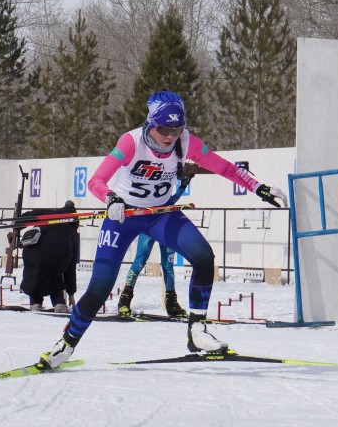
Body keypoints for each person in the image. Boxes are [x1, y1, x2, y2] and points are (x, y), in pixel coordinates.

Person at [38, 90, 286, 368]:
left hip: (160, 213)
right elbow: (96, 180)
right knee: (100, 287)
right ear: (150, 124)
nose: (169, 136)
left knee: (203, 256)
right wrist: (111, 198)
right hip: (124, 216)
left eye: (176, 129)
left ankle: (197, 330)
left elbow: (224, 168)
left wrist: (259, 187)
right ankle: (66, 344)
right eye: (163, 129)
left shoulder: (186, 141)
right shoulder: (131, 142)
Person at [116, 170, 193, 318]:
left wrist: (184, 184)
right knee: (140, 260)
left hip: (167, 227)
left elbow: (172, 200)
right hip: (149, 226)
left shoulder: (164, 185)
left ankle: (171, 303)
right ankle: (125, 299)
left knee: (168, 265)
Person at [19, 200, 79, 313]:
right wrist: (71, 293)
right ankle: (59, 304)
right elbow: (71, 267)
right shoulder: (72, 231)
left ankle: (35, 303)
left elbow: (25, 217)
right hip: (58, 260)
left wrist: (17, 225)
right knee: (55, 275)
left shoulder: (47, 213)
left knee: (34, 274)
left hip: (33, 252)